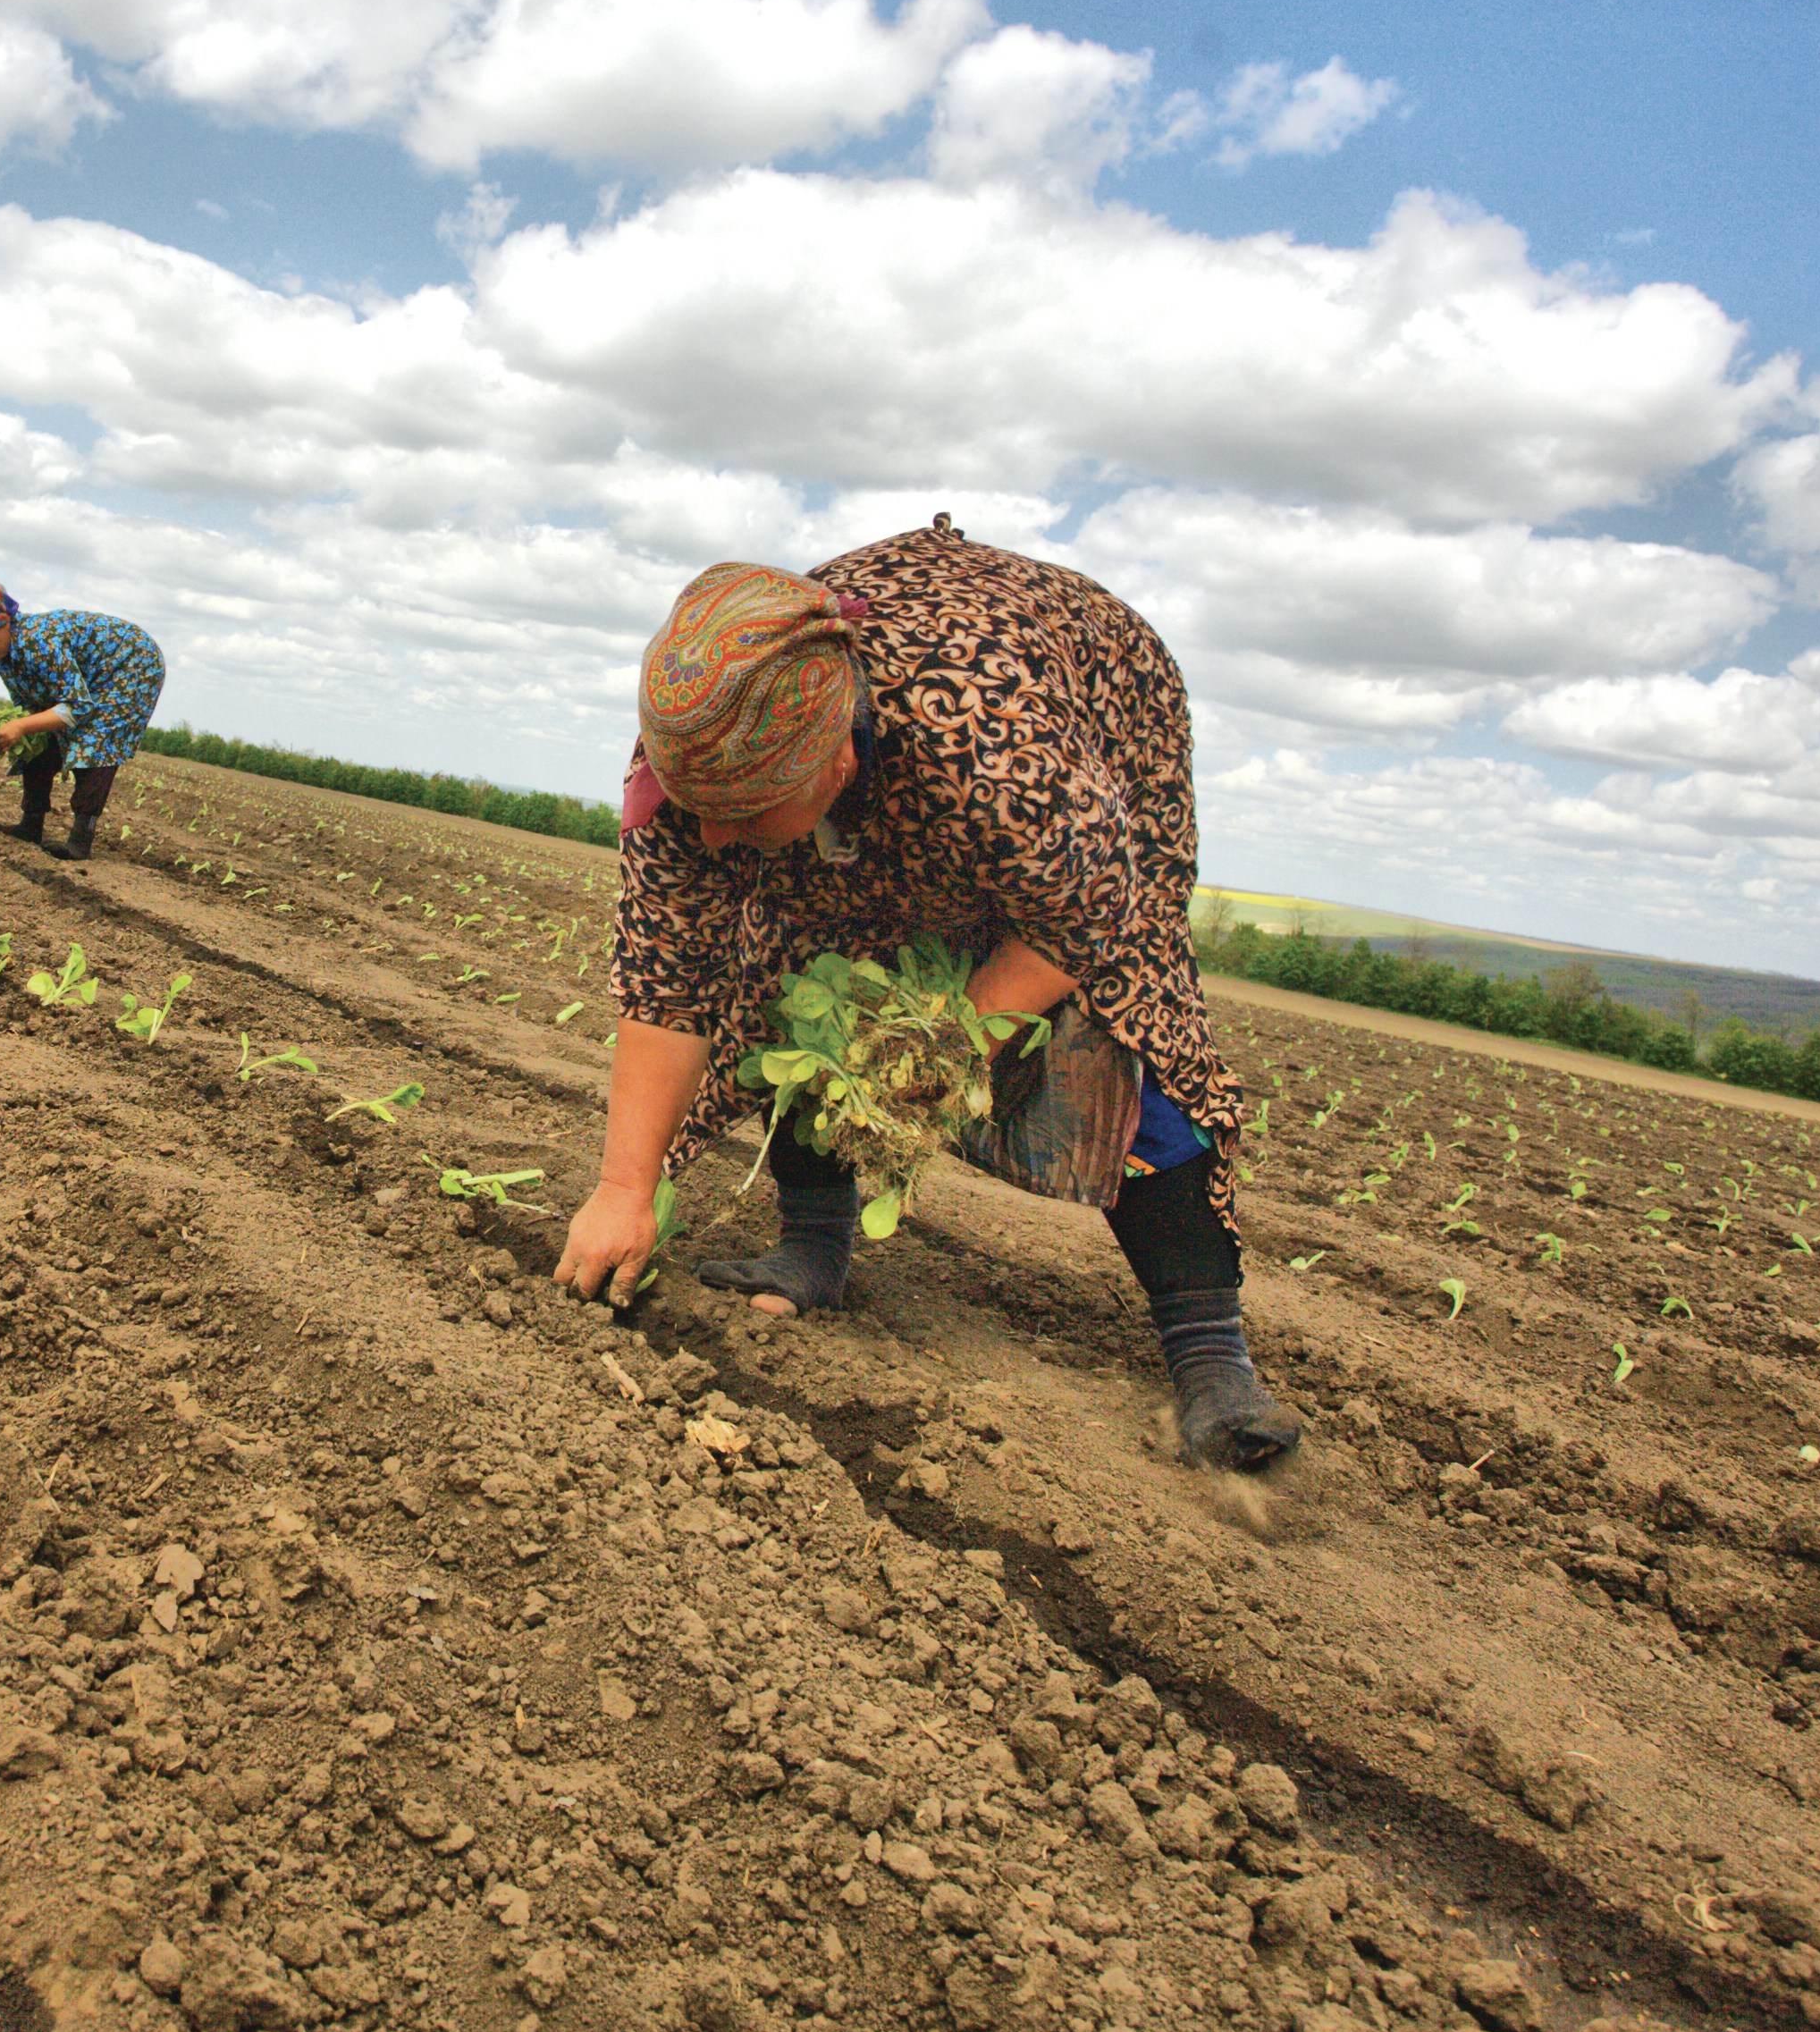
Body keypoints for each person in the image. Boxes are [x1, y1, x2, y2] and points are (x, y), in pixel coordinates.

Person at [548, 518, 1297, 1471]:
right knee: (790, 965)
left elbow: (1088, 915)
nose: (718, 841)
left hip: (1093, 708)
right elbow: (670, 975)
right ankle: (812, 1243)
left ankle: (1212, 1357)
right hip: (921, 733)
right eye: (699, 814)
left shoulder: (990, 752)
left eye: (742, 818)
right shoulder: (703, 739)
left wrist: (948, 1043)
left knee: (1116, 1013)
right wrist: (623, 1188)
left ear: (837, 764)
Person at [0, 586, 165, 862]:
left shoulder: (40, 641)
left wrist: (20, 726)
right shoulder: (2, 658)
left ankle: (80, 841)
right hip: (91, 676)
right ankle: (31, 824)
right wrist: (8, 730)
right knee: (38, 735)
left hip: (131, 665)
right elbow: (31, 709)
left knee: (95, 741)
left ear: (4, 623)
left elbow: (76, 706)